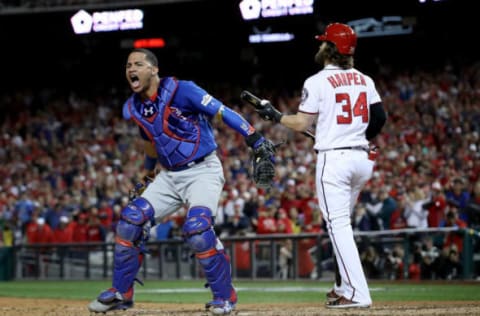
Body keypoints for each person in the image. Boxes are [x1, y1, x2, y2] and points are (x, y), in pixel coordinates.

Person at [88, 48, 276, 315]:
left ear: (153, 69)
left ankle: (225, 297)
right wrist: (148, 175)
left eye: (138, 64)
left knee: (198, 228)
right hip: (168, 175)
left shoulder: (183, 90)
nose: (132, 68)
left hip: (203, 170)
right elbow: (150, 142)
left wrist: (254, 138)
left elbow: (222, 112)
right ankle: (121, 293)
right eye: (128, 64)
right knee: (130, 219)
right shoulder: (134, 106)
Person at [251, 23, 386, 308]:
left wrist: (275, 115)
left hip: (335, 160)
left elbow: (301, 123)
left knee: (338, 226)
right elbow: (379, 119)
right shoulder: (365, 79)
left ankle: (358, 294)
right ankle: (342, 286)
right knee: (342, 225)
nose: (319, 46)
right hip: (362, 159)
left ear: (329, 48)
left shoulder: (317, 81)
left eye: (322, 43)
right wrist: (353, 135)